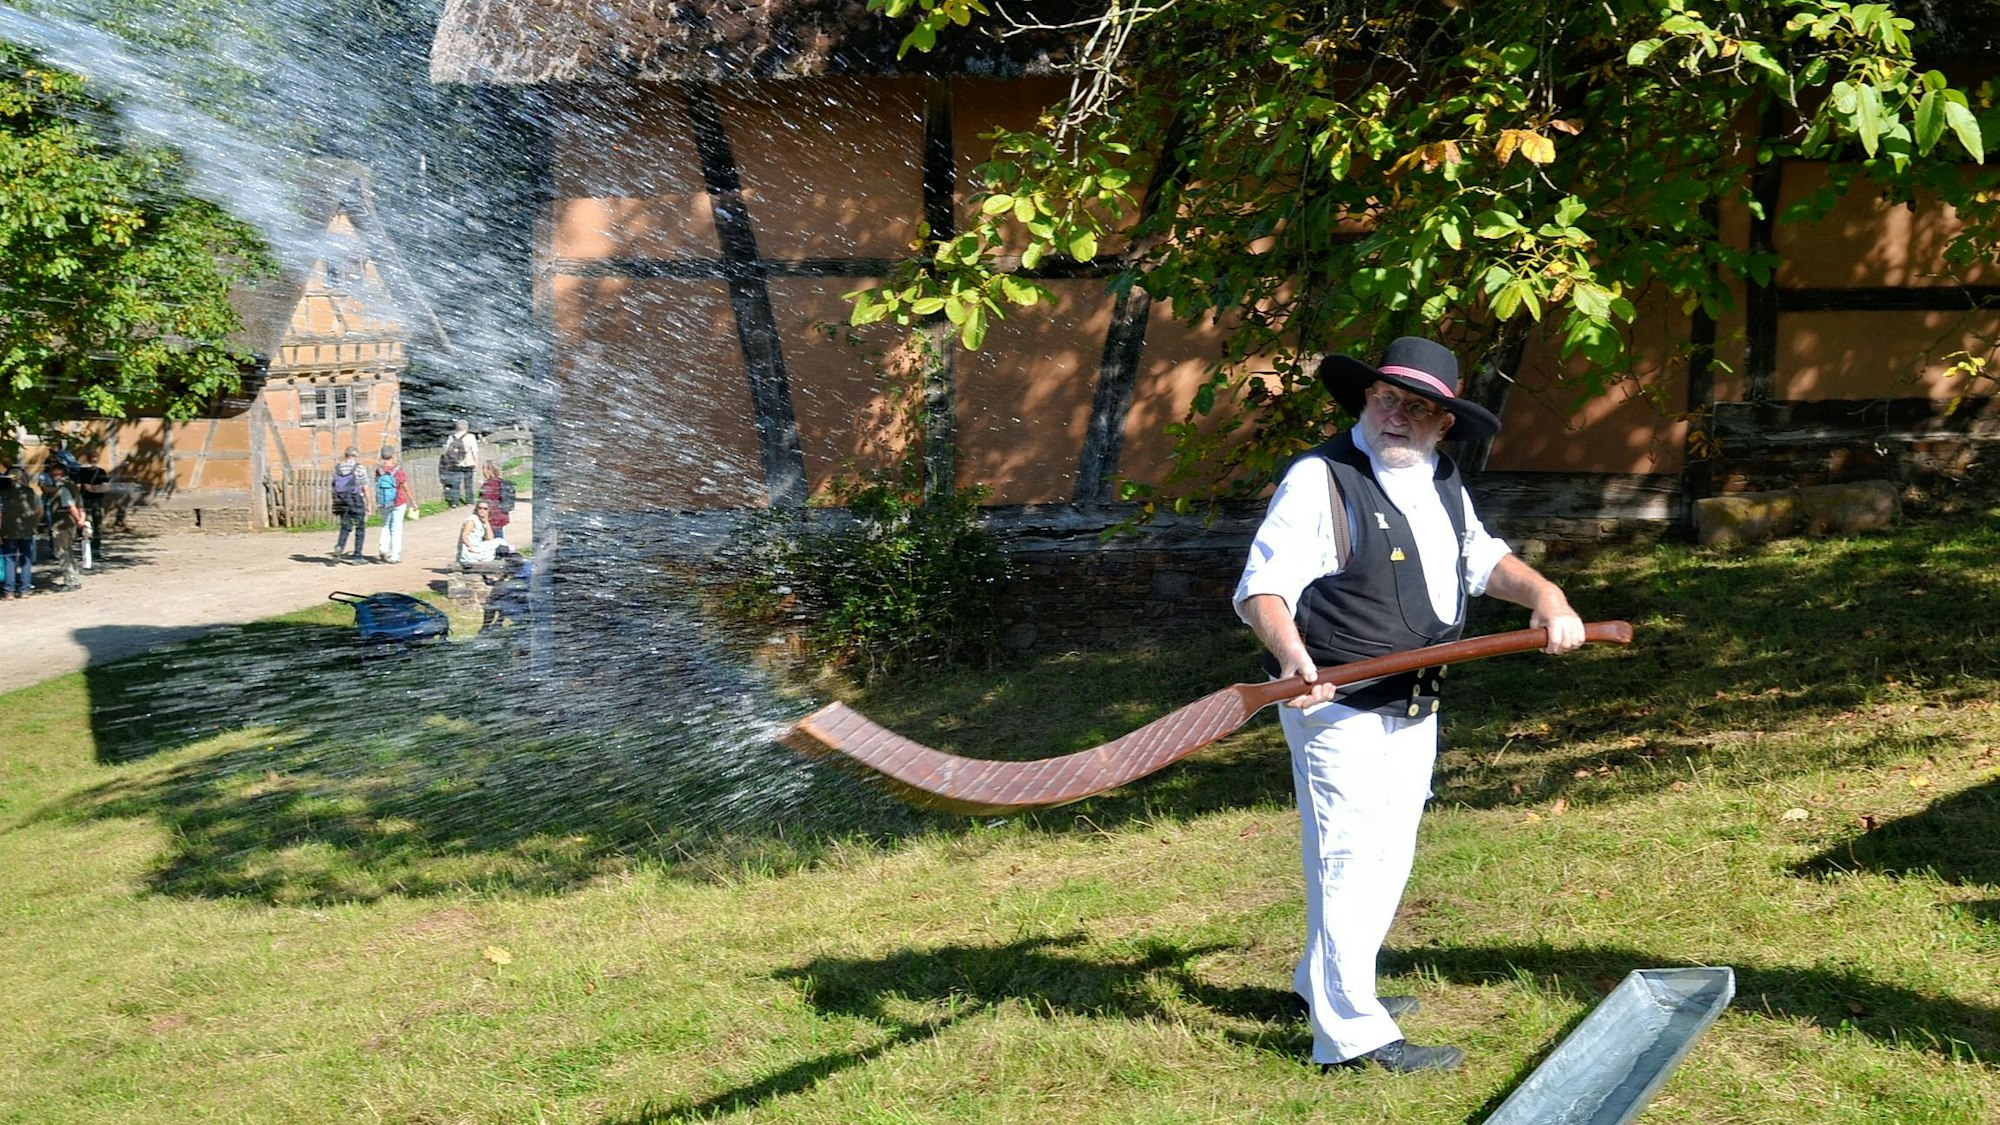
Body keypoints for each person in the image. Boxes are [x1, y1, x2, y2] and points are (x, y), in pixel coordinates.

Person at [1234, 336, 1586, 1075]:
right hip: (1337, 701)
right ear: (1365, 399)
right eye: (1384, 399)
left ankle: (1322, 985)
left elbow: (1481, 557)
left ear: (1442, 424)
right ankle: (1351, 1036)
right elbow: (1264, 586)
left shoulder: (1439, 476)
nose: (1396, 416)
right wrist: (1293, 654)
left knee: (1385, 856)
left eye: (1416, 408)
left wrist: (1545, 595)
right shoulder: (1320, 479)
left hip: (1415, 702)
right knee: (1350, 857)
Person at [41, 460, 87, 592]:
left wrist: (78, 519)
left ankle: (71, 581)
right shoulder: (72, 485)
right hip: (70, 523)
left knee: (61, 552)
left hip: (62, 523)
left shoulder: (63, 487)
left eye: (52, 472)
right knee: (68, 551)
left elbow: (70, 506)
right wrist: (81, 519)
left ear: (58, 472)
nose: (51, 474)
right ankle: (74, 578)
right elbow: (80, 504)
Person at [1, 462, 40, 599]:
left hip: (8, 530)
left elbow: (1, 514)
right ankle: (25, 590)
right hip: (28, 531)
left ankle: (9, 591)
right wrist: (34, 523)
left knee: (10, 560)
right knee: (26, 560)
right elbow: (38, 510)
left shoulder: (3, 493)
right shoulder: (31, 492)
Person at [330, 447, 370, 563]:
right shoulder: (359, 468)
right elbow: (365, 487)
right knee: (360, 528)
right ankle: (357, 557)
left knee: (345, 526)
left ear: (345, 455)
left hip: (342, 501)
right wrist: (369, 504)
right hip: (356, 500)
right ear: (355, 455)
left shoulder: (337, 468)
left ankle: (340, 546)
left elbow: (334, 486)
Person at [374, 447, 412, 563]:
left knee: (385, 525)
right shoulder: (398, 470)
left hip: (384, 501)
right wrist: (413, 502)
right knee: (396, 528)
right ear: (393, 456)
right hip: (398, 501)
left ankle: (383, 548)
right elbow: (405, 487)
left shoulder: (379, 470)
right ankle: (394, 555)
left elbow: (377, 484)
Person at [456, 499, 513, 566]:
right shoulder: (472, 520)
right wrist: (470, 546)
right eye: (480, 508)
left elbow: (490, 538)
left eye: (485, 509)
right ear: (476, 509)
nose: (482, 511)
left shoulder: (482, 521)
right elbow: (464, 536)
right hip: (470, 550)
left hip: (477, 546)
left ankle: (510, 554)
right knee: (492, 553)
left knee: (499, 541)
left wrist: (486, 522)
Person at [440, 420, 479, 507]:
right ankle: (470, 501)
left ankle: (454, 502)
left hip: (455, 463)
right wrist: (476, 463)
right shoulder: (470, 437)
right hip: (468, 463)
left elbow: (446, 451)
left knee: (455, 483)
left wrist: (447, 462)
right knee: (468, 483)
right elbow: (475, 451)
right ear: (467, 427)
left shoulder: (451, 437)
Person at [477, 461, 516, 540]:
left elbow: (485, 502)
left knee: (492, 541)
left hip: (492, 517)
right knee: (498, 538)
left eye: (484, 469)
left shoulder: (489, 484)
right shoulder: (500, 482)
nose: (482, 471)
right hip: (501, 514)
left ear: (489, 470)